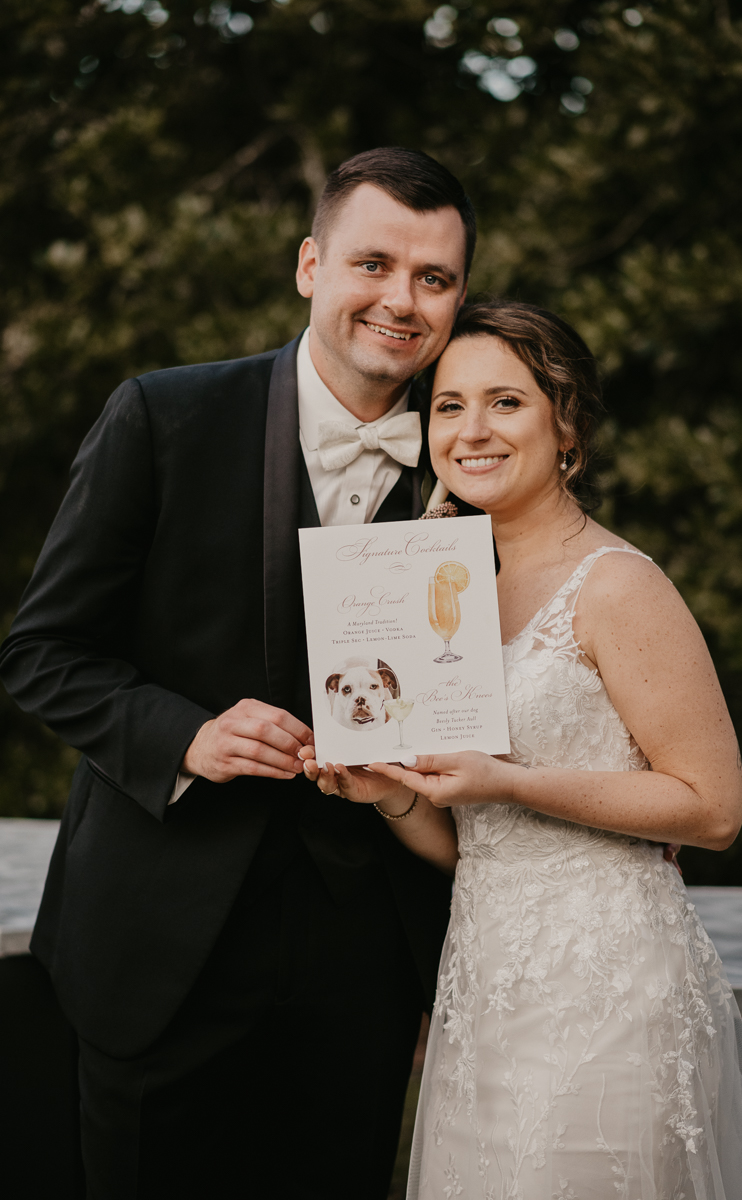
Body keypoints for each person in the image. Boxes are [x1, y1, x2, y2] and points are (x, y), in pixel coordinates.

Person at [0, 148, 476, 1200]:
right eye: (373, 264)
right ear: (310, 265)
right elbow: (41, 654)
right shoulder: (162, 418)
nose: (400, 300)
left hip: (364, 965)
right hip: (160, 951)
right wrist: (184, 734)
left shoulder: (473, 458)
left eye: (433, 278)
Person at [303, 301, 742, 1199]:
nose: (471, 431)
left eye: (505, 403)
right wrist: (393, 795)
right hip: (484, 982)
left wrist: (510, 780)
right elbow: (470, 839)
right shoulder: (442, 604)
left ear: (567, 426)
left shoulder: (618, 586)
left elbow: (714, 809)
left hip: (606, 990)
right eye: (448, 406)